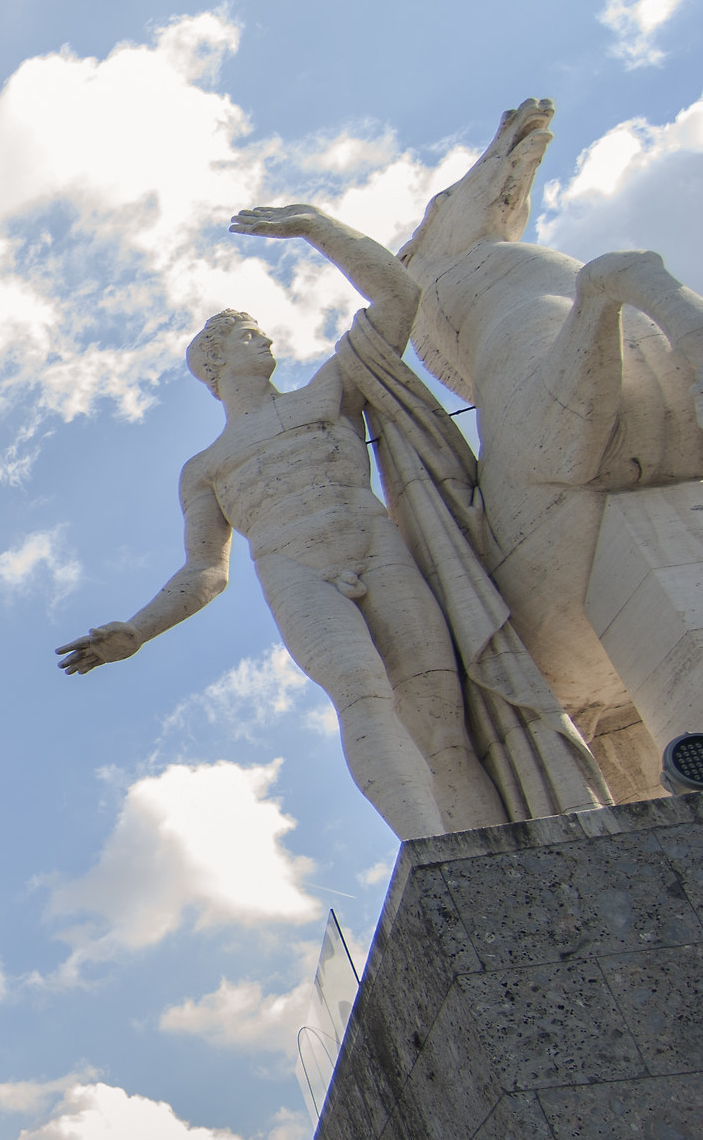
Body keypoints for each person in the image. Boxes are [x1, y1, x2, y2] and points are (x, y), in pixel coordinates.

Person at [55, 204, 536, 842]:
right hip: (295, 571)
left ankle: (484, 855)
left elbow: (399, 296)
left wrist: (318, 228)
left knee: (440, 721)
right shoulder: (206, 468)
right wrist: (138, 631)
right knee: (361, 691)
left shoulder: (326, 394)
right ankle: (431, 850)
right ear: (215, 363)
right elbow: (206, 569)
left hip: (376, 545)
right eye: (252, 336)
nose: (270, 342)